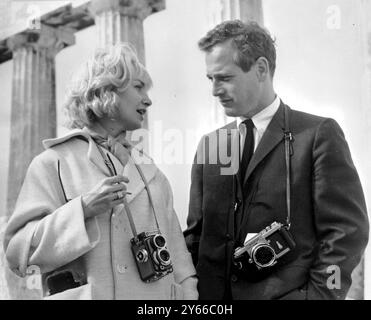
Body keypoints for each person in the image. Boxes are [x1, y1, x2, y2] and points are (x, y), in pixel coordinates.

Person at [184, 20, 369, 300]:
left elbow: (346, 232)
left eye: (225, 78)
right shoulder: (211, 145)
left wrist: (320, 297)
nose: (214, 90)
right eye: (211, 79)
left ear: (261, 69)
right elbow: (195, 239)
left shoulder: (317, 135)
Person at [3, 43, 198, 300]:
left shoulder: (154, 175)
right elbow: (19, 256)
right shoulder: (53, 163)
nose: (148, 100)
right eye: (138, 87)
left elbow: (181, 264)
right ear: (107, 91)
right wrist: (82, 209)